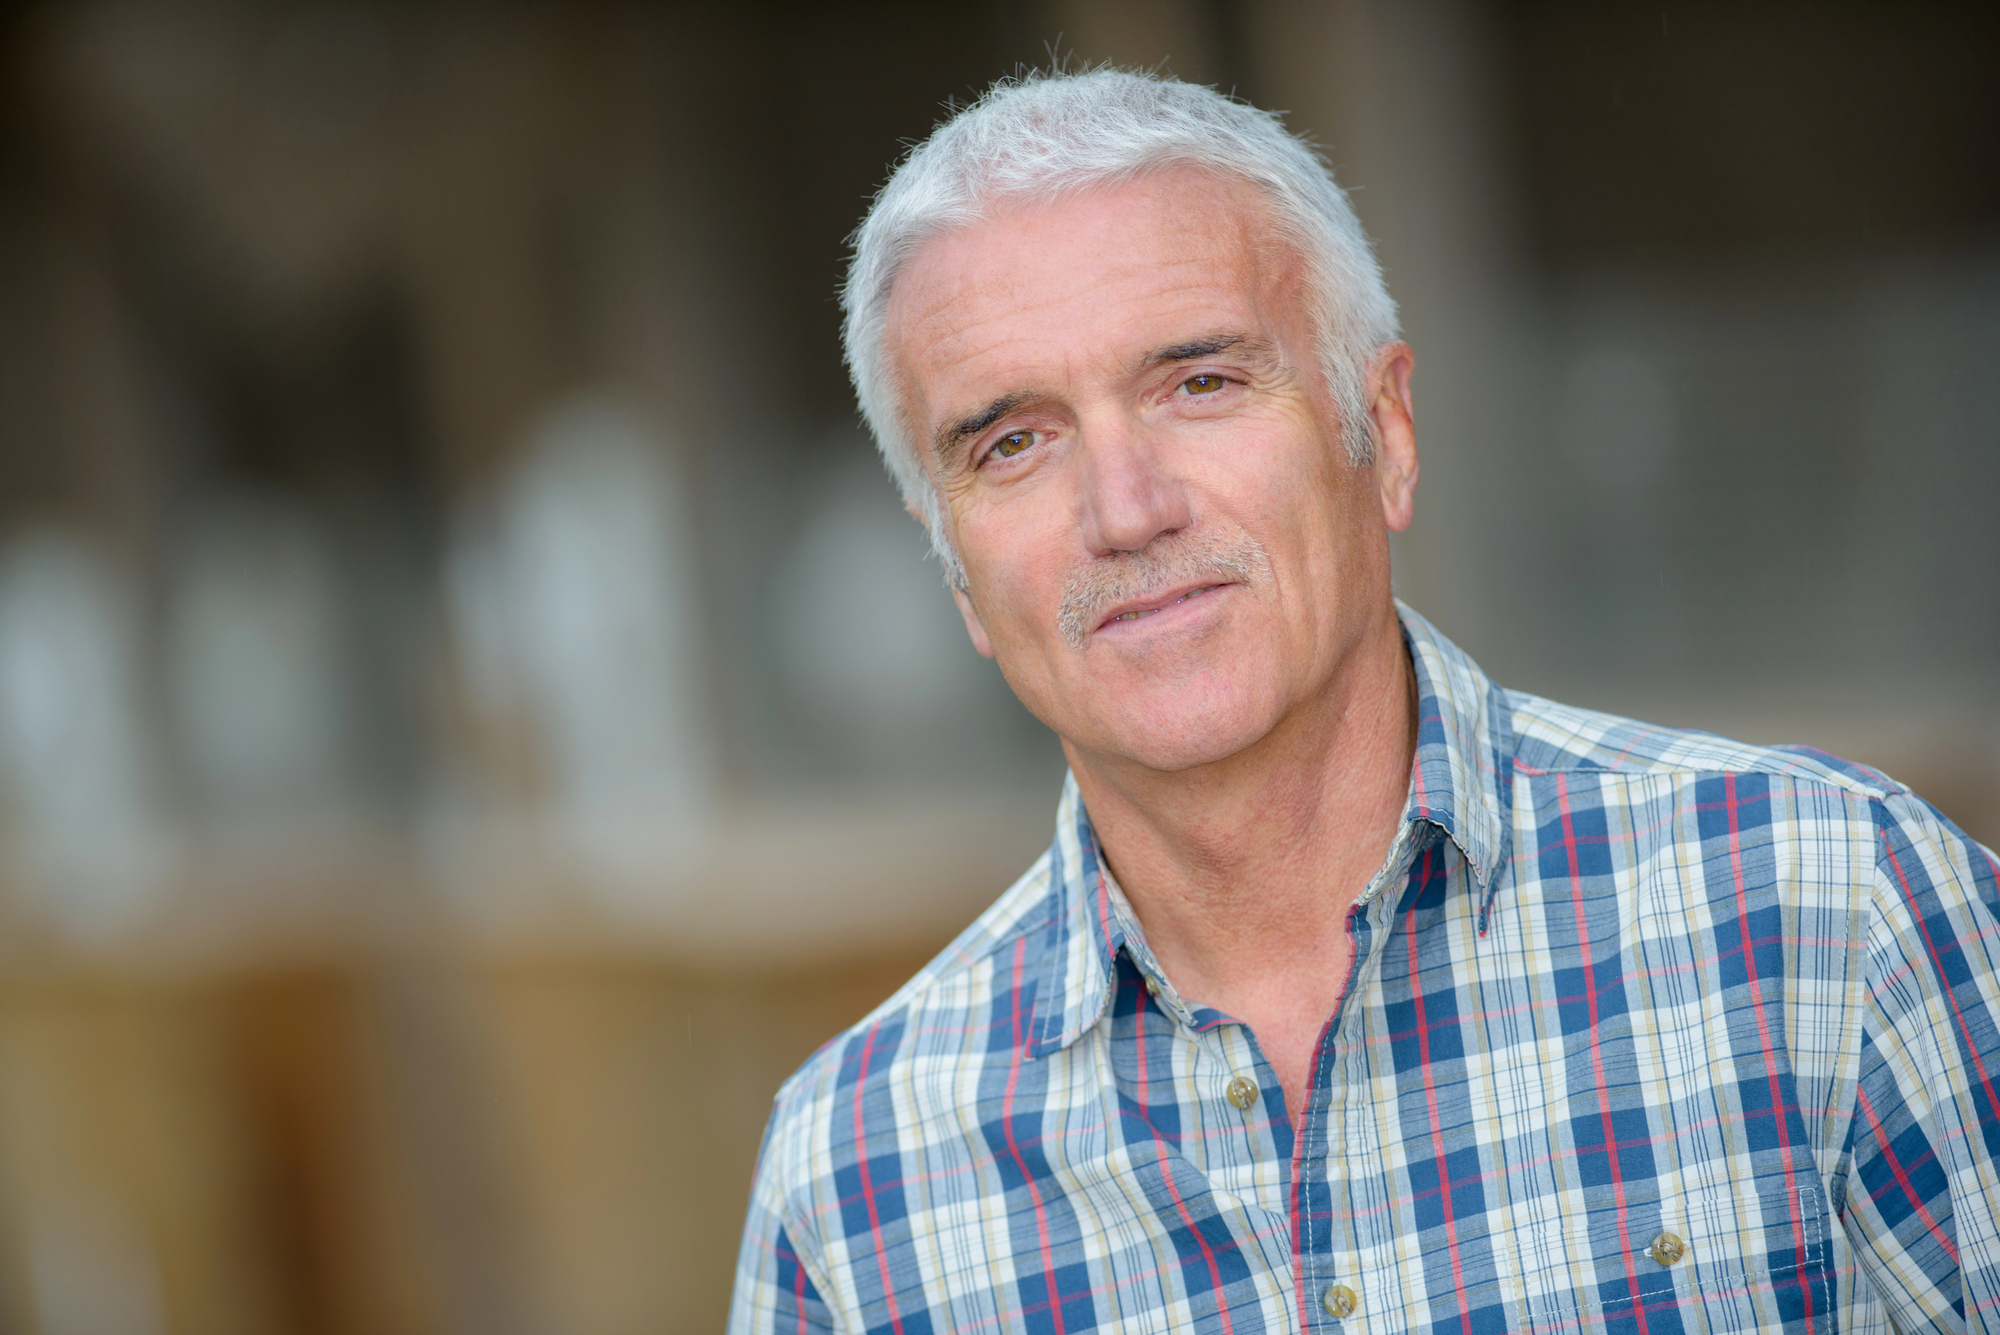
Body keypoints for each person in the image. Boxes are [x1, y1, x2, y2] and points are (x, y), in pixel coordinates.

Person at [728, 69, 2000, 1334]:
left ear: (1381, 430)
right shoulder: (853, 1184)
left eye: (1200, 383)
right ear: (952, 568)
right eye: (1013, 443)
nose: (1124, 510)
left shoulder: (1821, 913)